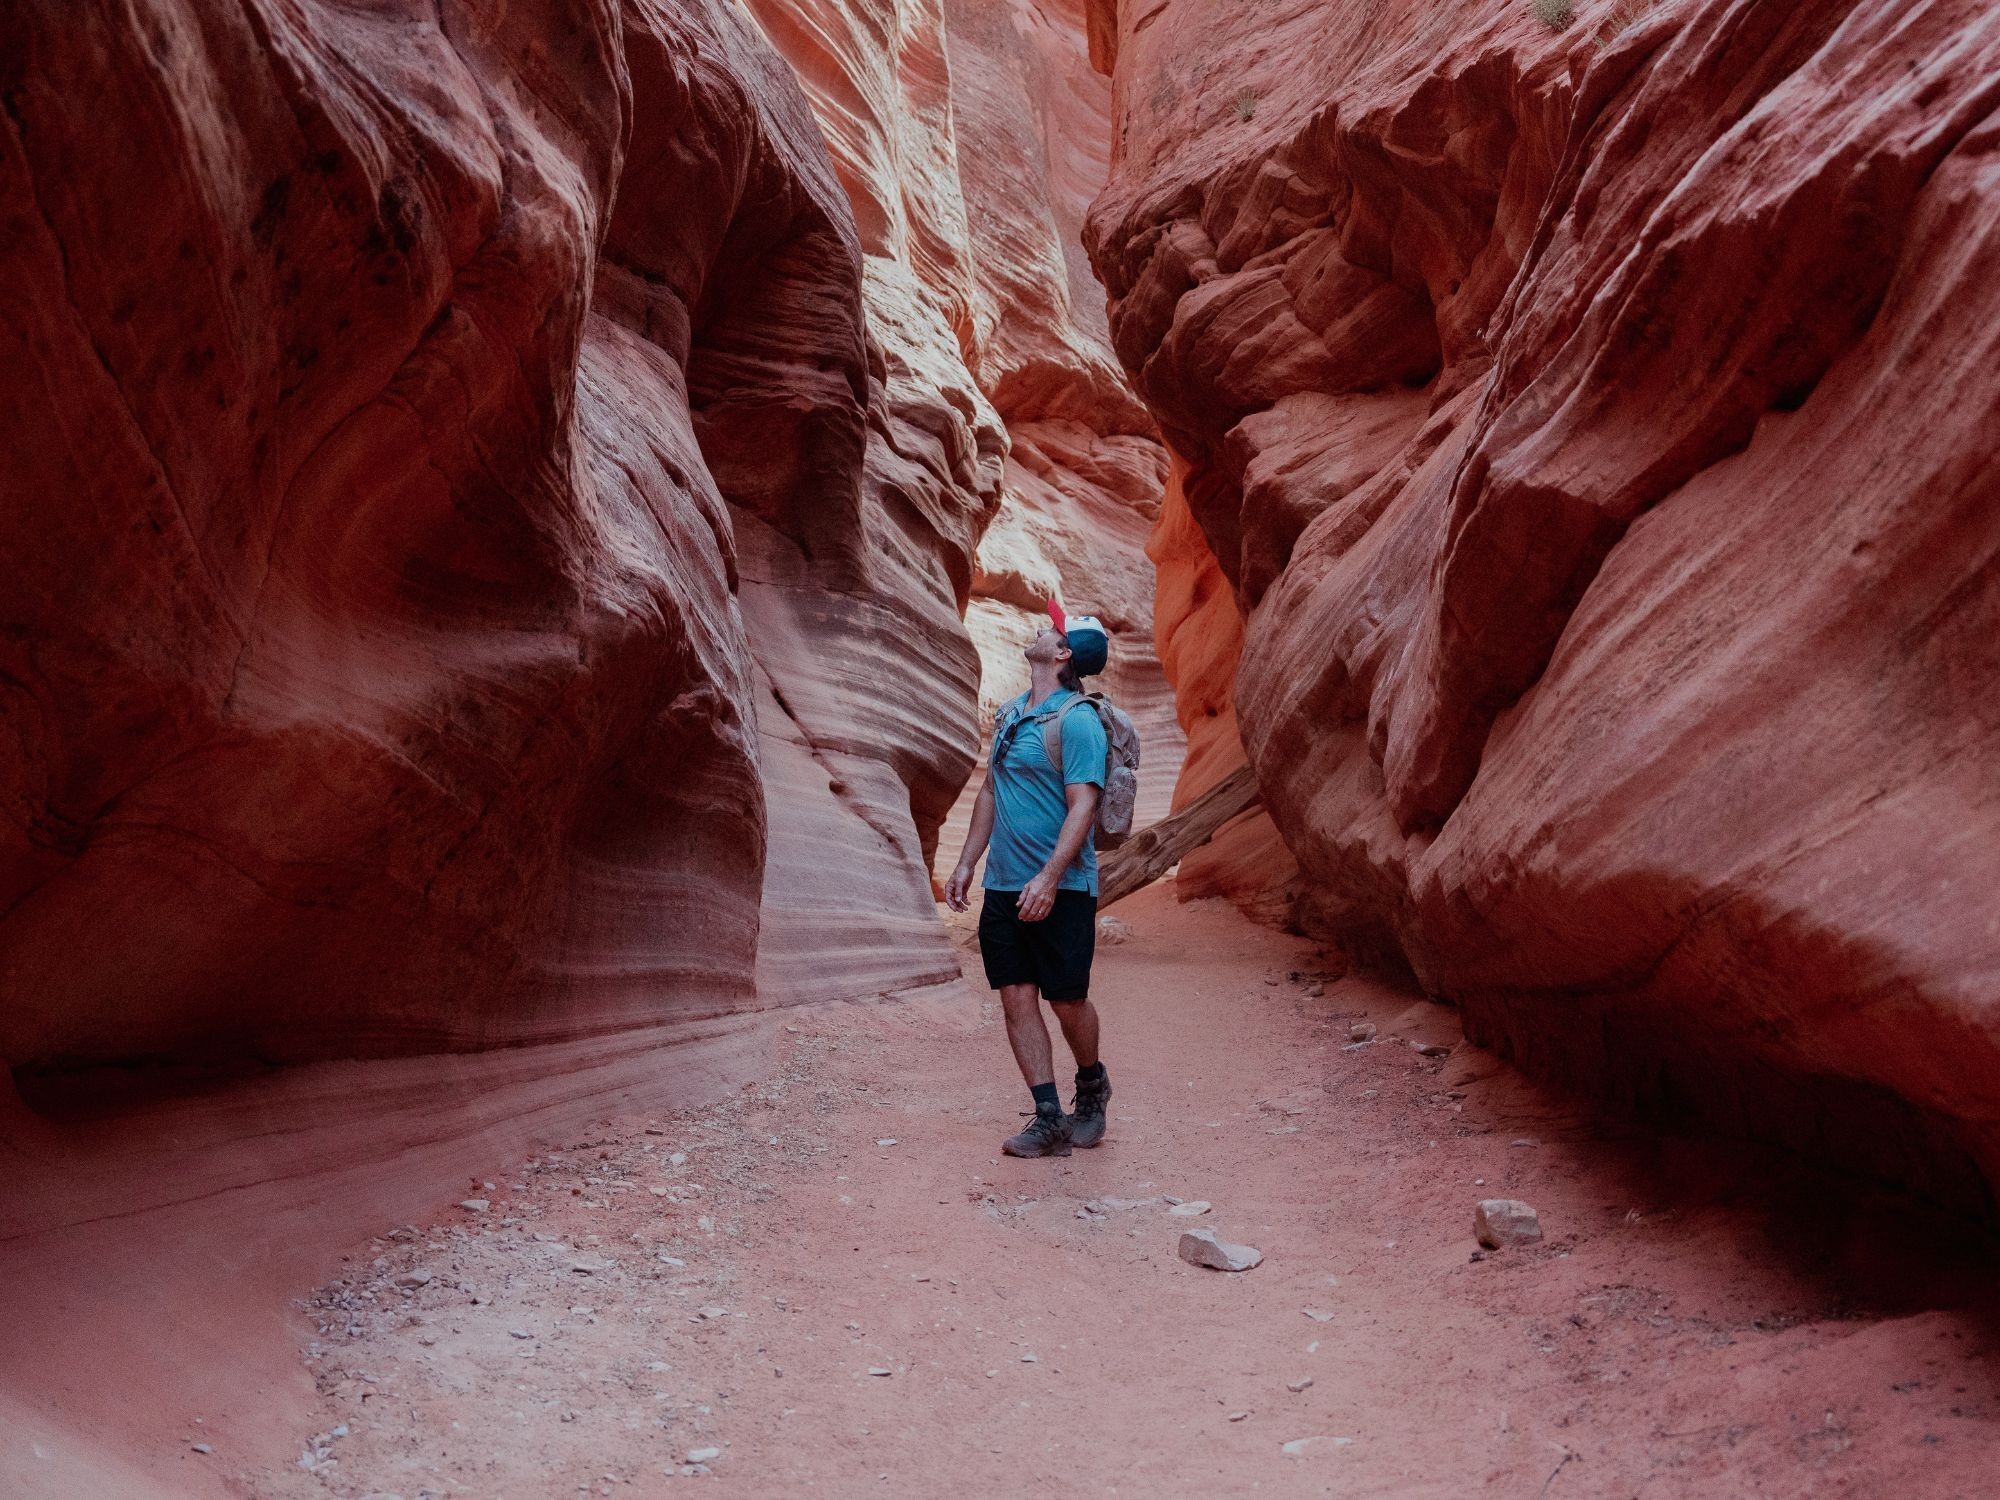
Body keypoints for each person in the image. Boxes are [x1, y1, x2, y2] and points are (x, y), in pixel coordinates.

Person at [945, 601, 1113, 1158]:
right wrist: (969, 860)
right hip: (1004, 884)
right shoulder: (1012, 714)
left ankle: (1090, 1084)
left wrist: (1047, 877)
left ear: (1062, 652)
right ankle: (1048, 1116)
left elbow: (1083, 806)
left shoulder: (1080, 720)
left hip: (1061, 887)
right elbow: (991, 792)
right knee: (1016, 995)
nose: (1041, 627)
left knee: (1066, 1001)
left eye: (1052, 627)